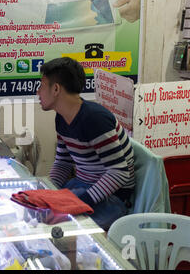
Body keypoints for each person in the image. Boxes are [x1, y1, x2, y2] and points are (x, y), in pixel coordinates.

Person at [37, 57, 135, 230]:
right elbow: (63, 162)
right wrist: (49, 192)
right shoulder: (61, 117)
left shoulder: (94, 119)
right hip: (83, 185)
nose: (38, 92)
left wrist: (79, 203)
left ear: (56, 89)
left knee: (55, 227)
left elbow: (119, 173)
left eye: (42, 85)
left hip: (111, 197)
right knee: (41, 214)